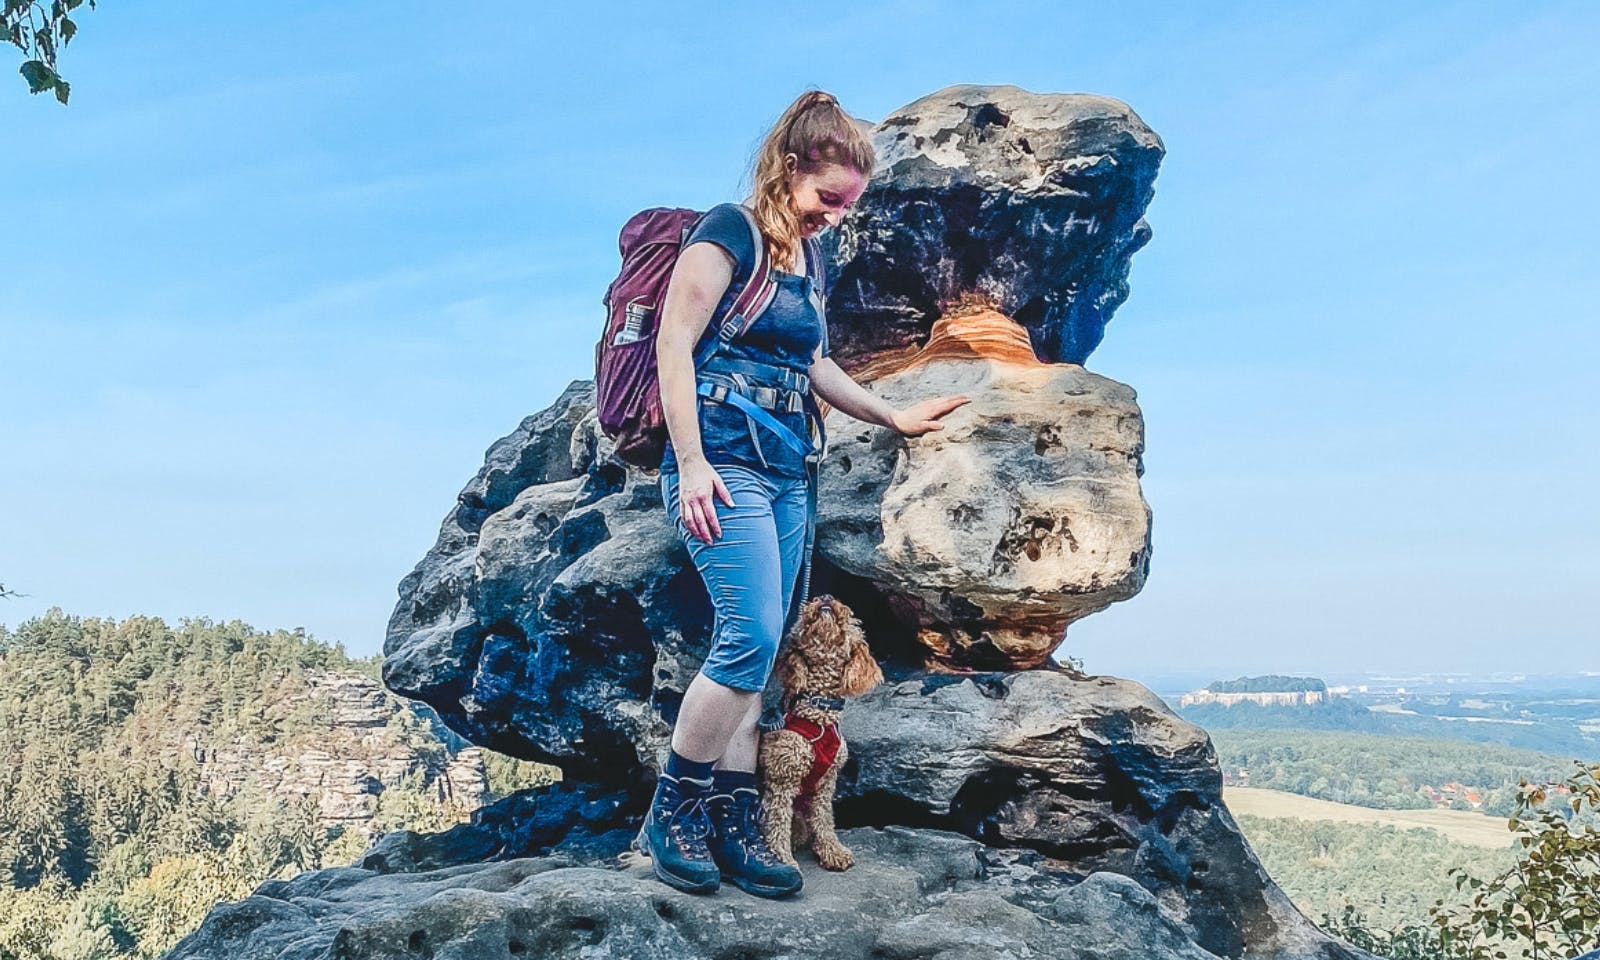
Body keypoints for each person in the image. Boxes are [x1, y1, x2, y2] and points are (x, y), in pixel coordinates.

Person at [639, 89, 971, 898]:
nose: (833, 216)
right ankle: (673, 809)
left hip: (791, 467)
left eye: (847, 206)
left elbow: (814, 366)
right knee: (748, 637)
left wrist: (893, 413)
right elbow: (674, 345)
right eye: (828, 198)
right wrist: (689, 462)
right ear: (791, 168)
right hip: (725, 460)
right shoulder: (729, 232)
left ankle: (734, 816)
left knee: (763, 655)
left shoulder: (809, 259)